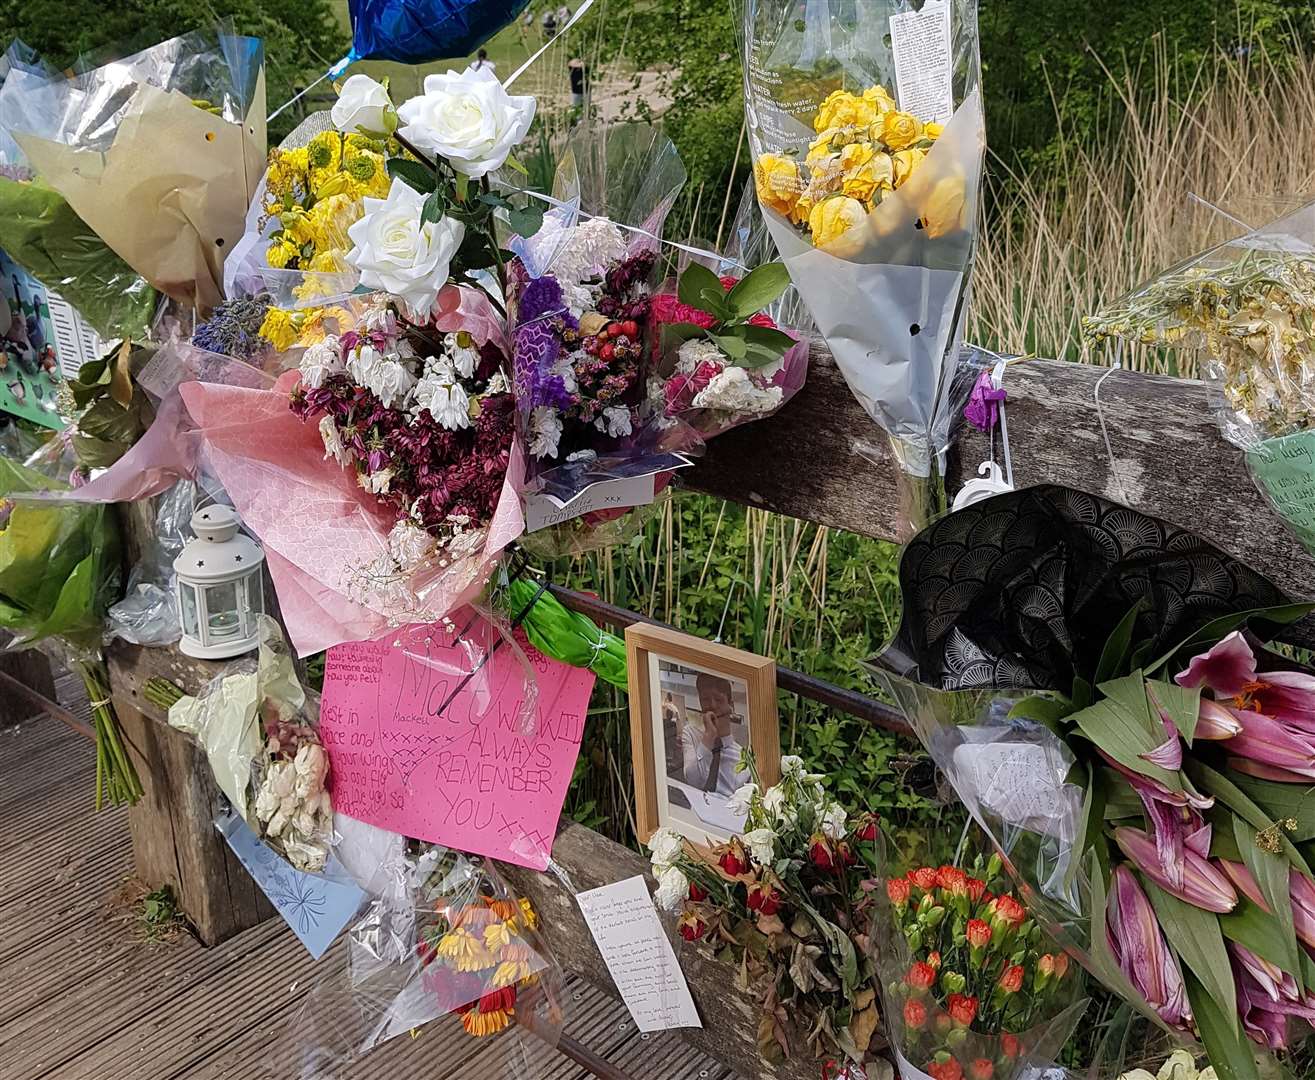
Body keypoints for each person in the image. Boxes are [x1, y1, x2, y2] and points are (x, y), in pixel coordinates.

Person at [680, 673, 746, 796]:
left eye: (719, 700)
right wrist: (708, 738)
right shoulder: (690, 734)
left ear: (730, 705)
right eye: (705, 699)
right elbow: (693, 781)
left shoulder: (742, 757)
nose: (713, 706)